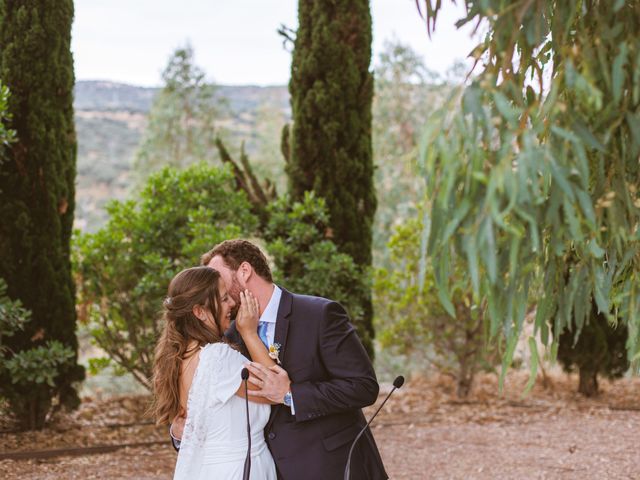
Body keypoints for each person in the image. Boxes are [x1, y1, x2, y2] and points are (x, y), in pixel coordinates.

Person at [173, 239, 388, 480]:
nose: (215, 286)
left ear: (244, 271)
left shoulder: (319, 315)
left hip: (332, 467)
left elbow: (364, 387)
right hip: (267, 471)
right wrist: (181, 433)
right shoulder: (230, 335)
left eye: (219, 277)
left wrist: (291, 394)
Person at [152, 266, 278, 479]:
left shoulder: (178, 356)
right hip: (240, 469)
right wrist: (248, 332)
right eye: (223, 299)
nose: (232, 303)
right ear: (199, 312)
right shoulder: (217, 357)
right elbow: (274, 388)